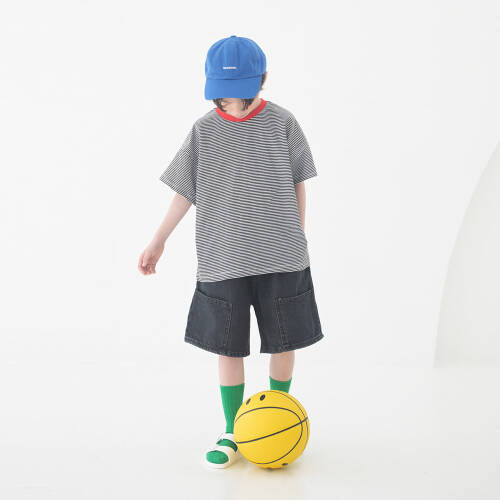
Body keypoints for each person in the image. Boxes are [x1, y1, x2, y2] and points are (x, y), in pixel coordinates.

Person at [138, 35, 324, 469]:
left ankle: (277, 415)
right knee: (229, 346)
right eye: (225, 96)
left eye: (243, 94)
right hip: (223, 258)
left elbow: (298, 182)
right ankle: (233, 428)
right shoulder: (203, 131)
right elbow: (185, 192)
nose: (234, 105)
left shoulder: (283, 123)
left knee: (284, 339)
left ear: (263, 80)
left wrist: (298, 234)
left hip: (282, 256)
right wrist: (159, 239)